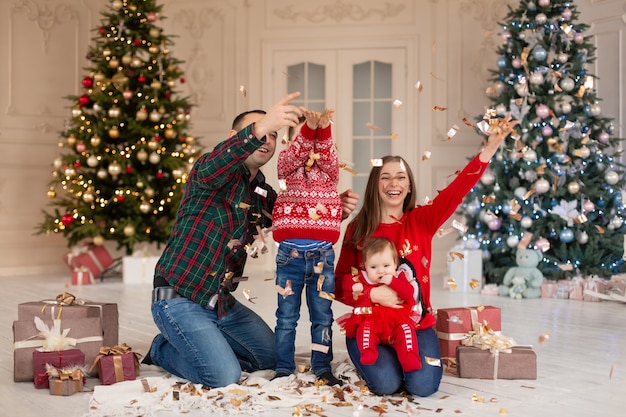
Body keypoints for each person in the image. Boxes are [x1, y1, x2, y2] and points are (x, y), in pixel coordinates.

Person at [144, 92, 359, 388]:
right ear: (237, 136)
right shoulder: (208, 173)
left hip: (221, 303)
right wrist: (260, 127)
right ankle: (162, 349)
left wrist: (336, 212)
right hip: (180, 299)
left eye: (273, 135)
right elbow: (219, 159)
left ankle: (205, 342)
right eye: (260, 131)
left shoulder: (264, 195)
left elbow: (295, 226)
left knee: (270, 359)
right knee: (223, 376)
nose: (267, 140)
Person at [334, 117, 518, 397]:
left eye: (401, 177)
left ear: (408, 186)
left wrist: (489, 148)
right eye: (385, 177)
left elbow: (456, 192)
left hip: (414, 325)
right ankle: (377, 362)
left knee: (422, 386)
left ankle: (399, 359)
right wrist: (371, 295)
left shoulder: (422, 220)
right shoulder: (358, 228)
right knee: (386, 385)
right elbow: (338, 284)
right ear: (375, 185)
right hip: (370, 325)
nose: (393, 183)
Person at [271, 108, 343, 386]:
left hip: (322, 257)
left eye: (313, 136)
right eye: (303, 136)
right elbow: (293, 157)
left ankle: (322, 367)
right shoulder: (286, 168)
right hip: (290, 255)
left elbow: (325, 155)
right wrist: (307, 130)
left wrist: (321, 129)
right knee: (287, 317)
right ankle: (283, 368)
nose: (310, 144)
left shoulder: (329, 171)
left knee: (322, 317)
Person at [337, 237, 422, 372]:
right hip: (371, 318)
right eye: (373, 267)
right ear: (365, 266)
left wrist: (393, 282)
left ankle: (409, 356)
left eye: (386, 266)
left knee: (406, 331)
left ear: (395, 264)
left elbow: (408, 293)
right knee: (364, 329)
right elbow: (346, 281)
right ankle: (368, 351)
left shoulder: (400, 277)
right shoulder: (363, 277)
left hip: (396, 321)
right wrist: (355, 286)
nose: (380, 271)